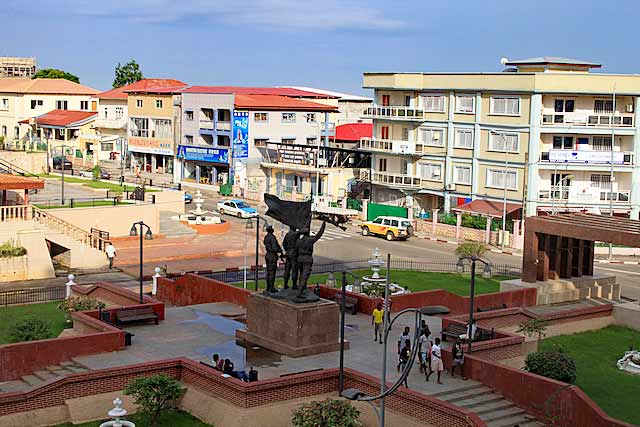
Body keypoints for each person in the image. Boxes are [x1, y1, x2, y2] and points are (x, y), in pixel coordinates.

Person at [295, 222, 326, 298]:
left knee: (301, 275)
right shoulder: (310, 240)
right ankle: (299, 292)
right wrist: (323, 226)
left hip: (300, 259)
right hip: (307, 259)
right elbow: (318, 235)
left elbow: (296, 251)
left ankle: (302, 289)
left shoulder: (298, 241)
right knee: (305, 276)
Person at [263, 225, 282, 293]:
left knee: (269, 272)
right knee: (272, 273)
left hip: (268, 255)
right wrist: (279, 250)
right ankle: (271, 288)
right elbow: (274, 248)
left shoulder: (266, 237)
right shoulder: (272, 237)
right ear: (271, 230)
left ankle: (268, 287)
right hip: (272, 256)